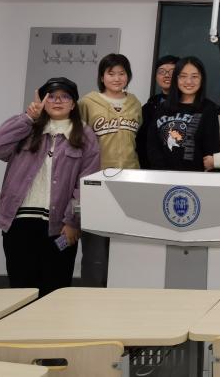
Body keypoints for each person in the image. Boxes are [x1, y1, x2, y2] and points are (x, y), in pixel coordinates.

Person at [0, 78, 100, 296]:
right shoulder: (28, 128)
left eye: (64, 96)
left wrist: (73, 221)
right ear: (44, 102)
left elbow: (86, 184)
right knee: (21, 288)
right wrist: (28, 117)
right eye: (52, 96)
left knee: (55, 291)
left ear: (73, 104)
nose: (58, 101)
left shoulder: (85, 135)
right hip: (19, 222)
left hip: (60, 226)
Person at [77, 53, 142, 287]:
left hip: (130, 180)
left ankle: (121, 291)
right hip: (97, 180)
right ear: (102, 77)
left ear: (128, 76)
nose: (116, 78)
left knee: (125, 242)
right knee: (95, 244)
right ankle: (92, 293)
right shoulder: (87, 102)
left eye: (122, 73)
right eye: (111, 73)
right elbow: (77, 141)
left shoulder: (135, 103)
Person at [146, 56, 220, 171]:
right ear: (176, 79)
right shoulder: (162, 108)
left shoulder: (208, 108)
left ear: (202, 79)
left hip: (195, 176)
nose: (189, 81)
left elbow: (211, 148)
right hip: (162, 175)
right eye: (183, 76)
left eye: (194, 76)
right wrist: (162, 171)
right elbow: (152, 145)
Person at [136, 55, 178, 169]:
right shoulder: (149, 107)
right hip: (152, 171)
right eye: (161, 72)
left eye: (172, 71)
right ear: (155, 76)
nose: (167, 75)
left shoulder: (189, 105)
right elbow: (141, 143)